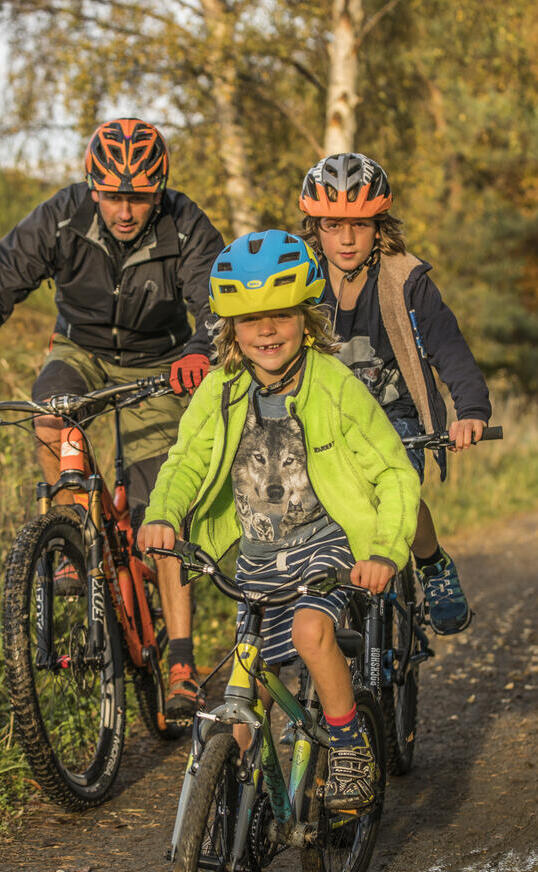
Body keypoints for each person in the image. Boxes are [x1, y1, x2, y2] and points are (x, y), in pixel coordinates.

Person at [0, 117, 224, 718]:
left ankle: (182, 662)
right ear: (92, 186)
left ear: (158, 189)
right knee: (51, 412)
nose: (126, 210)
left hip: (159, 361)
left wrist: (199, 349)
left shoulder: (184, 222)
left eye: (138, 196)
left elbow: (217, 297)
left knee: (159, 510)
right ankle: (70, 539)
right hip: (78, 350)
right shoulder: (60, 217)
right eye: (112, 195)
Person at [138, 230, 420, 810]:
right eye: (249, 319)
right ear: (229, 329)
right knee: (245, 695)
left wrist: (385, 552)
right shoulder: (220, 389)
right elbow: (186, 460)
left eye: (281, 316)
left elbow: (394, 472)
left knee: (311, 634)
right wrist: (163, 514)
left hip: (329, 546)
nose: (267, 330)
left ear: (306, 318)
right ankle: (234, 814)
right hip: (258, 557)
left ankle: (348, 747)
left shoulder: (335, 385)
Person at [299, 153, 492, 635]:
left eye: (359, 225)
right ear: (314, 227)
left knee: (395, 491)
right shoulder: (300, 279)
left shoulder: (407, 281)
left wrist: (470, 410)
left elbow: (449, 348)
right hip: (326, 416)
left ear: (379, 225)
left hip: (395, 414)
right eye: (332, 225)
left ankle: (431, 562)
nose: (346, 239)